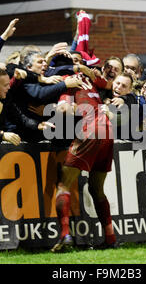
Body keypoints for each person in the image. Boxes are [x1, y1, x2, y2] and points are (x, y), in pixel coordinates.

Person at [51, 68, 116, 253]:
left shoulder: (68, 82)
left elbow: (64, 109)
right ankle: (110, 237)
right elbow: (107, 84)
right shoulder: (91, 79)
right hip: (107, 131)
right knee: (97, 189)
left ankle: (65, 235)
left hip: (91, 129)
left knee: (63, 185)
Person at [0, 66, 53, 145]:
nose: (9, 87)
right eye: (6, 85)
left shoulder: (4, 95)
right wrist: (2, 135)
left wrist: (37, 125)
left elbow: (18, 116)